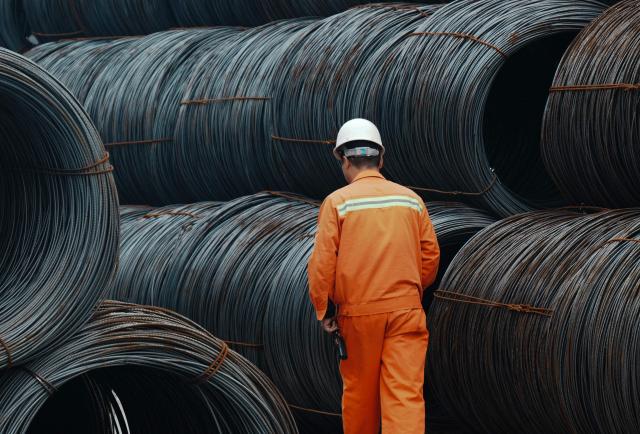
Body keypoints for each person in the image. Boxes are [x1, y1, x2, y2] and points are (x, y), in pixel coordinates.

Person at [307, 118, 440, 434]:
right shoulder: (410, 200)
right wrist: (407, 292)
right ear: (381, 158)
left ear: (343, 159)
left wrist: (324, 308)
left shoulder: (338, 203)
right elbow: (430, 256)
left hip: (359, 315)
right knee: (404, 394)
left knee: (360, 396)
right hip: (407, 311)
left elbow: (323, 262)